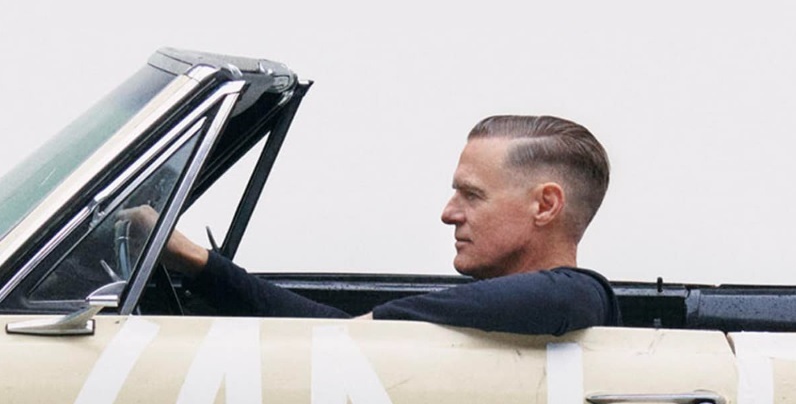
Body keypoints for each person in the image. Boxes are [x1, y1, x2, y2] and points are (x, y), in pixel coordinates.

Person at [139, 115, 620, 335]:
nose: (449, 213)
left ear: (545, 205)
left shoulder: (574, 300)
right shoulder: (489, 317)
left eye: (472, 195)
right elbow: (341, 333)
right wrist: (196, 261)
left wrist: (377, 326)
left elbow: (568, 296)